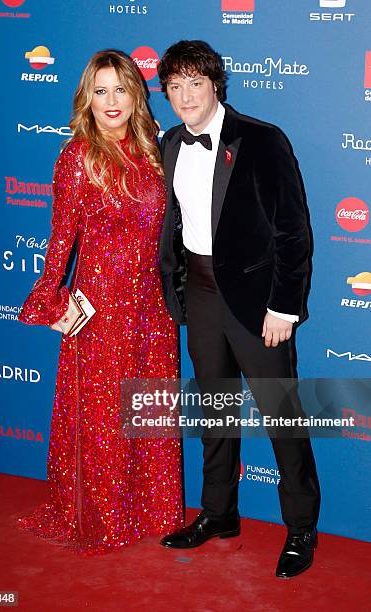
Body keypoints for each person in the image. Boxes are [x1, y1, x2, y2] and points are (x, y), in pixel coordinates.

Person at [156, 40, 321, 578]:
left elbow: (293, 232)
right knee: (215, 412)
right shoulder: (171, 143)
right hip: (200, 294)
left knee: (281, 417)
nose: (184, 96)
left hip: (257, 301)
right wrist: (177, 289)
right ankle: (218, 514)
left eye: (193, 84)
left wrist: (283, 307)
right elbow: (174, 227)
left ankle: (300, 528)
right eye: (174, 87)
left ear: (215, 84)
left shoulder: (262, 140)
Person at [17, 49, 183, 555]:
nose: (111, 101)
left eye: (120, 89)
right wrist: (50, 303)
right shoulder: (77, 156)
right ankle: (103, 516)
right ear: (87, 98)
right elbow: (59, 240)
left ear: (137, 93)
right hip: (102, 312)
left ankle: (153, 511)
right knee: (106, 420)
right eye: (100, 90)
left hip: (152, 308)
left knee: (149, 412)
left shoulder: (154, 148)